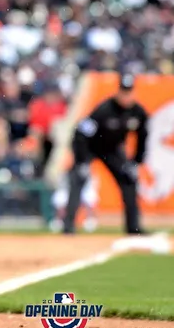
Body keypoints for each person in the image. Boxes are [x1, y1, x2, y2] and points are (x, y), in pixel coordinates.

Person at [63, 73, 149, 235]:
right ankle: (68, 227)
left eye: (129, 91)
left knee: (129, 181)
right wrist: (81, 161)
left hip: (112, 150)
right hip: (90, 148)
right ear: (118, 91)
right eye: (123, 91)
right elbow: (81, 133)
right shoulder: (104, 110)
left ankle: (133, 227)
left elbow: (143, 138)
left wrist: (136, 162)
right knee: (78, 181)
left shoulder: (137, 113)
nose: (126, 95)